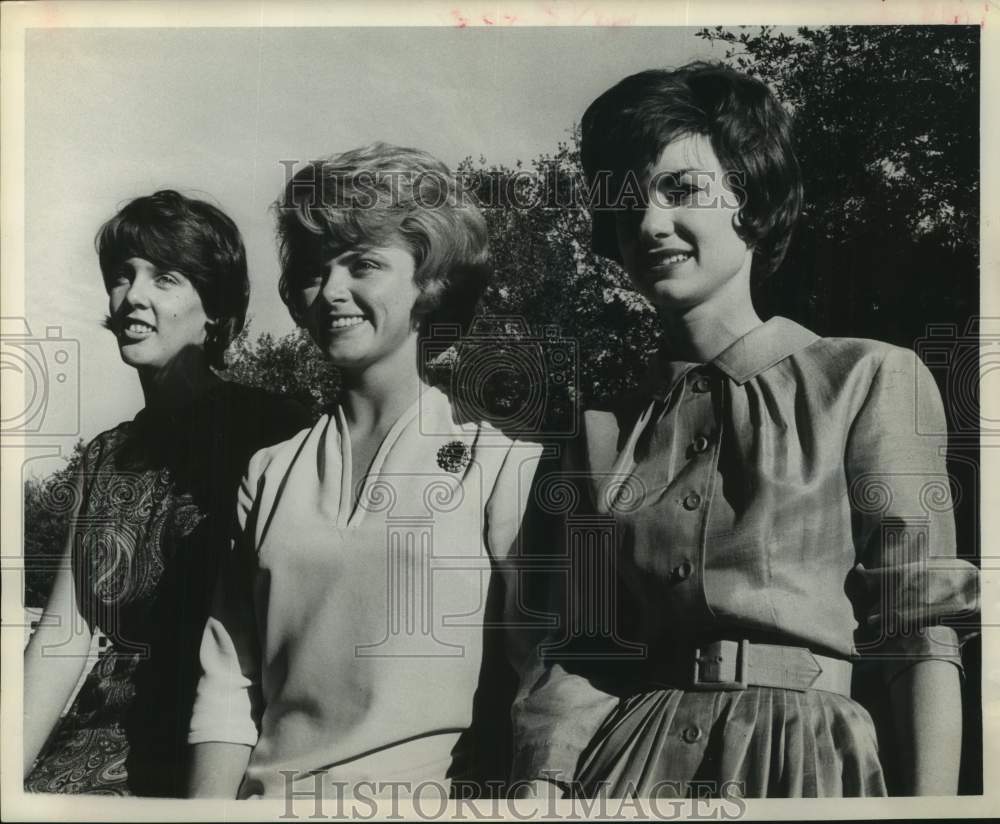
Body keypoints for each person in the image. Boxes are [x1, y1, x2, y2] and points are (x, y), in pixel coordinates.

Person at [510, 62, 979, 798]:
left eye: (683, 190)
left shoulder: (867, 379)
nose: (649, 222)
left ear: (751, 202)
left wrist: (936, 811)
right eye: (628, 198)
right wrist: (540, 789)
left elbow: (918, 628)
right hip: (628, 769)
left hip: (808, 761)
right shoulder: (599, 435)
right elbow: (582, 648)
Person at [187, 143, 543, 799]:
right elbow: (229, 684)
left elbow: (541, 679)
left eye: (364, 265)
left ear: (429, 283)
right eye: (317, 271)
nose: (333, 292)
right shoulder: (268, 472)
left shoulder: (501, 460)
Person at [23, 190, 311, 796]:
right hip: (97, 748)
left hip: (219, 751)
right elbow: (65, 631)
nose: (133, 296)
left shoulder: (274, 431)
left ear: (215, 310)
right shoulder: (106, 456)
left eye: (166, 278)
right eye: (123, 276)